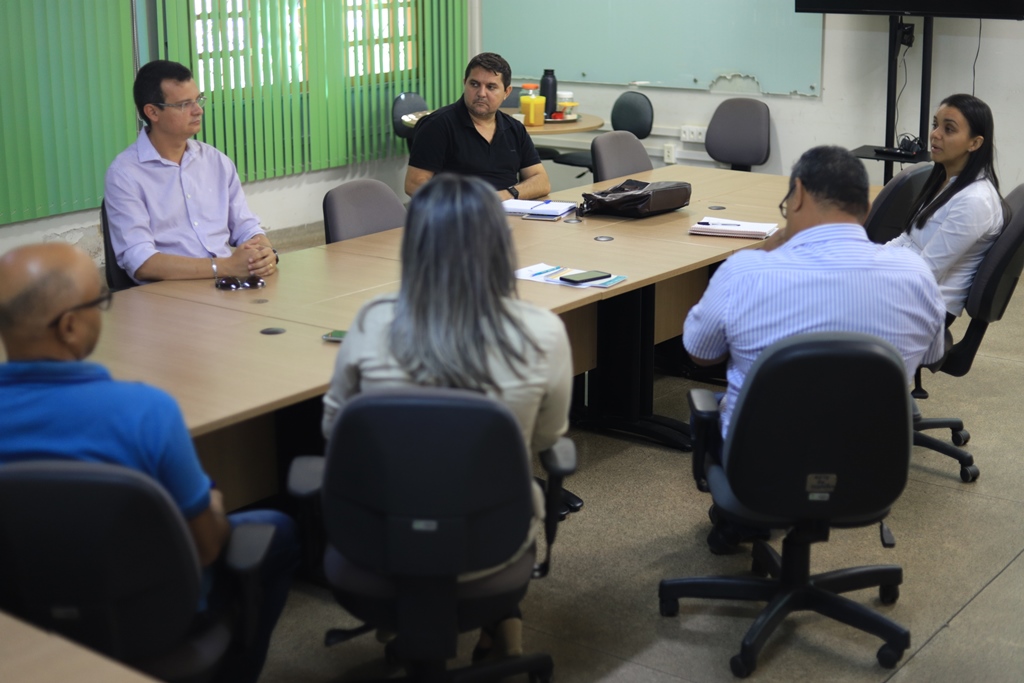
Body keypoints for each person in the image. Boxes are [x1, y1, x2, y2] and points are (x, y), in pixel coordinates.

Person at [0, 243, 299, 683]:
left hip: (23, 622)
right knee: (278, 529)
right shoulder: (145, 412)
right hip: (152, 622)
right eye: (101, 302)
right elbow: (208, 547)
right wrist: (213, 503)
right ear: (69, 327)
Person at [322, 173, 572, 660]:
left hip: (377, 546)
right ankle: (498, 620)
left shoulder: (373, 322)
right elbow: (549, 438)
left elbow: (336, 430)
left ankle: (405, 626)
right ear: (501, 243)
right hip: (489, 548)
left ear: (413, 244)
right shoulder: (542, 333)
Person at [683, 146, 947, 551]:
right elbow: (930, 358)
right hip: (873, 471)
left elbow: (700, 354)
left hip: (757, 468)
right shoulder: (916, 274)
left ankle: (742, 523)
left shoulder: (745, 272)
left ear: (799, 194)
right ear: (866, 205)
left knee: (720, 400)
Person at [104, 60, 278, 284]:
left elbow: (246, 226)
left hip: (227, 284)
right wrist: (225, 266)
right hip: (169, 297)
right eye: (185, 104)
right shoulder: (125, 174)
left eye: (198, 100)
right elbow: (141, 262)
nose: (198, 110)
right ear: (153, 112)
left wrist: (263, 252)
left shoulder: (216, 161)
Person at [885, 93, 1005, 323]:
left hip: (922, 308)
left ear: (975, 143)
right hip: (905, 290)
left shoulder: (974, 201)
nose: (935, 134)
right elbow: (906, 240)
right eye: (935, 124)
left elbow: (926, 272)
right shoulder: (945, 181)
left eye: (948, 129)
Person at [404, 52, 551, 200]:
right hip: (457, 216)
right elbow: (414, 184)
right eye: (474, 84)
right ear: (465, 83)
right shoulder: (437, 125)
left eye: (491, 87)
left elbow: (541, 181)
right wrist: (472, 204)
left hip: (508, 215)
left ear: (506, 92)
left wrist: (504, 196)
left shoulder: (514, 128)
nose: (481, 93)